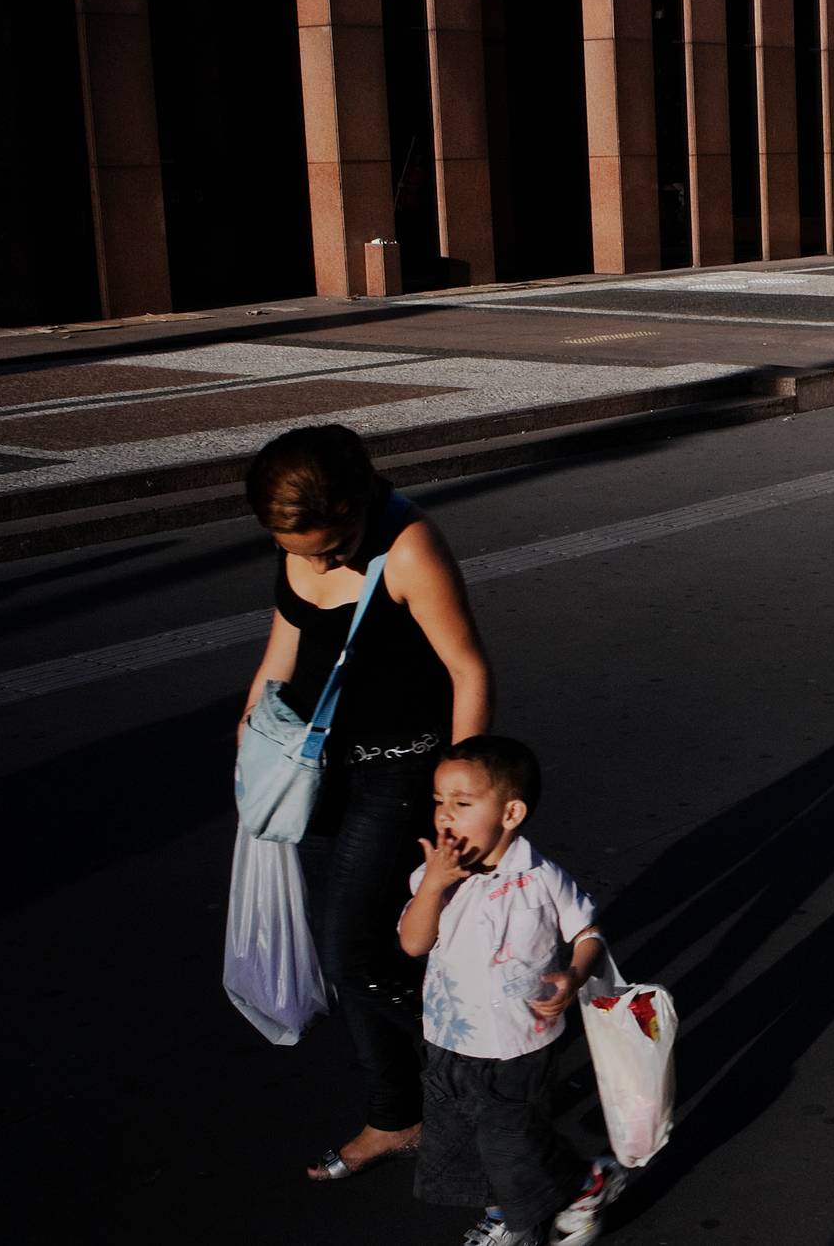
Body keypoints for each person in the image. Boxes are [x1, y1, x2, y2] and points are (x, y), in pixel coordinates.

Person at [241, 424, 494, 1183]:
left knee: (352, 951)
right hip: (318, 772)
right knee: (350, 949)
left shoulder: (410, 546)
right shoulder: (298, 543)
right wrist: (251, 749)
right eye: (298, 546)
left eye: (330, 542)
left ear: (357, 503)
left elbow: (468, 669)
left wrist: (461, 798)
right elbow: (282, 655)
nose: (316, 559)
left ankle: (501, 1061)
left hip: (401, 771)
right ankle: (395, 1115)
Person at [401, 736, 628, 1246]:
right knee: (463, 1142)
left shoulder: (542, 877)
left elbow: (588, 933)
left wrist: (573, 975)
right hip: (448, 1039)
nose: (445, 816)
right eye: (438, 802)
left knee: (509, 1144)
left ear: (510, 813)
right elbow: (414, 943)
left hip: (519, 1044)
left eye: (462, 804)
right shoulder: (434, 874)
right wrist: (433, 887)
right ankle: (566, 1185)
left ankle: (523, 1220)